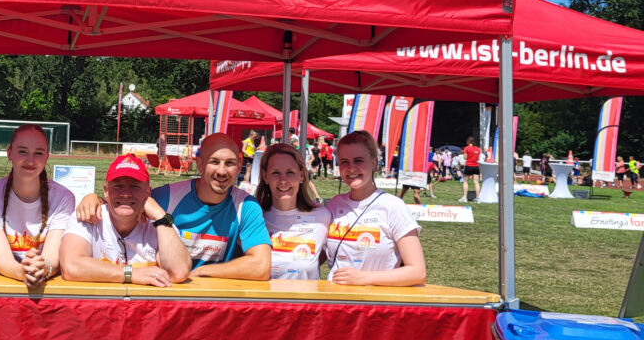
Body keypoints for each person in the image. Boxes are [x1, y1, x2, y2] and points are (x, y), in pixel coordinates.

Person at [76, 133, 271, 279]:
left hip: (215, 295)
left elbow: (261, 266)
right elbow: (125, 202)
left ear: (238, 166)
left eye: (229, 163)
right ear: (200, 165)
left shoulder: (246, 206)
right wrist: (94, 198)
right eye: (214, 162)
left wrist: (201, 272)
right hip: (167, 295)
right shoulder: (167, 196)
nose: (221, 171)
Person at [61, 154, 191, 286]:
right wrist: (132, 274)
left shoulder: (159, 223)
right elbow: (70, 267)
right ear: (106, 191)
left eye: (135, 186)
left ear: (148, 192)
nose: (126, 194)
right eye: (117, 186)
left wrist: (161, 217)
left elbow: (178, 272)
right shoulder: (89, 216)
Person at [324, 130, 426, 286]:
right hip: (335, 303)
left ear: (373, 163)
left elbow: (417, 272)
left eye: (358, 160)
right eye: (344, 161)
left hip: (375, 305)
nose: (351, 168)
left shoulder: (393, 207)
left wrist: (364, 278)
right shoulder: (334, 205)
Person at [0, 124, 74, 287]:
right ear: (9, 152)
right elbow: (2, 259)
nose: (30, 160)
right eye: (22, 151)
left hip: (48, 291)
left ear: (47, 156)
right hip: (5, 287)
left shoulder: (63, 198)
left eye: (38, 153)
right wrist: (23, 272)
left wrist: (42, 268)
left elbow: (51, 257)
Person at [255, 143, 330, 279]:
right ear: (265, 176)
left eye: (290, 173)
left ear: (301, 175)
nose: (283, 180)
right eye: (276, 173)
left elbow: (322, 256)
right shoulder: (254, 217)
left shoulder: (322, 217)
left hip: (306, 299)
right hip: (263, 300)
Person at [461, 136, 481, 202]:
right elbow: (478, 158)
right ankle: (478, 198)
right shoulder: (478, 149)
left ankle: (464, 197)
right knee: (476, 182)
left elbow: (465, 157)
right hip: (476, 166)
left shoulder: (466, 148)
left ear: (468, 142)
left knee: (465, 181)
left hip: (469, 165)